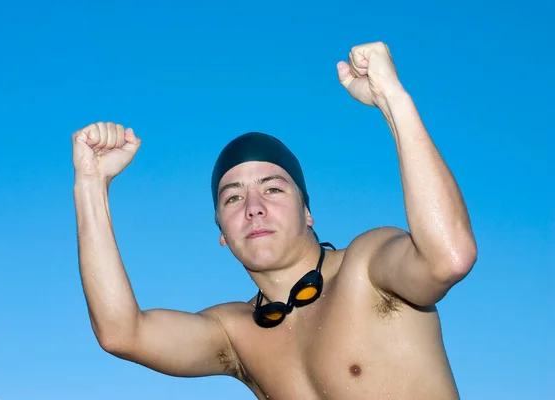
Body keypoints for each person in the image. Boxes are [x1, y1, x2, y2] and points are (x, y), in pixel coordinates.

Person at [72, 41, 477, 399]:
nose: (253, 206)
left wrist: (392, 100)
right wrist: (91, 184)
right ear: (222, 235)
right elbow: (122, 333)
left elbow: (449, 256)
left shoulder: (368, 268)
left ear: (308, 211)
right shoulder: (236, 333)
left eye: (273, 189)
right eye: (233, 197)